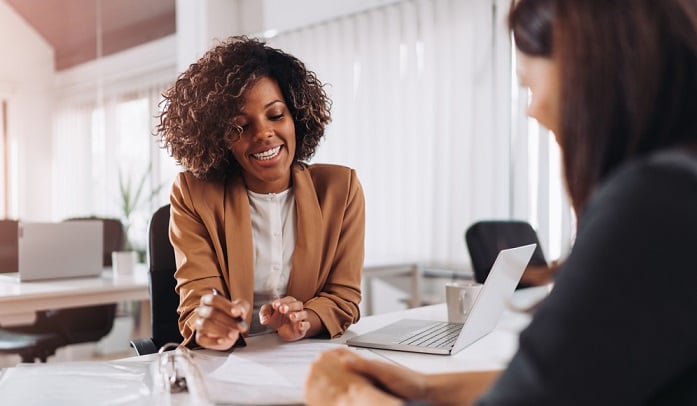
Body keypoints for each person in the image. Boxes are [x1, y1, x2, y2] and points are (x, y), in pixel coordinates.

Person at [304, 0, 697, 404]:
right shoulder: (677, 189)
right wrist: (425, 387)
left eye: (530, 84)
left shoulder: (653, 205)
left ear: (593, 71)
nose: (533, 109)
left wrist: (344, 396)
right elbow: (566, 382)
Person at [155, 36, 365, 351]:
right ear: (219, 139)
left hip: (304, 360)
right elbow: (196, 303)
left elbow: (343, 297)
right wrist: (209, 323)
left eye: (276, 115)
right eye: (240, 127)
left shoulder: (340, 189)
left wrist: (304, 321)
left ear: (296, 115)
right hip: (226, 367)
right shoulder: (193, 194)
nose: (263, 134)